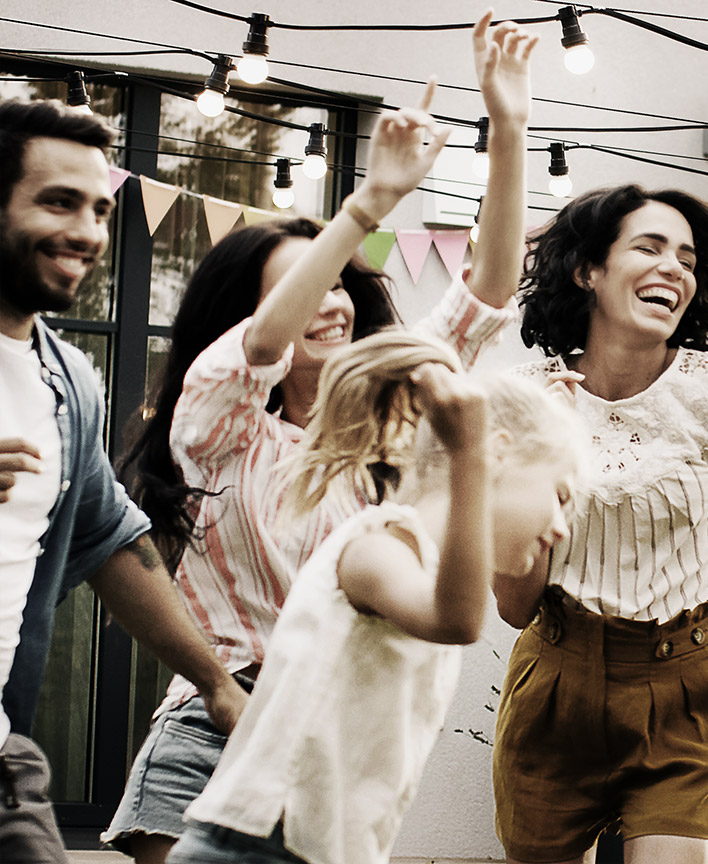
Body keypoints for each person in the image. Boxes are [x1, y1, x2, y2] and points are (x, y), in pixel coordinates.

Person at [105, 16, 537, 862]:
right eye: (307, 288)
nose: (333, 302)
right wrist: (366, 204)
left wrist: (510, 129)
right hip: (216, 723)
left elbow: (487, 290)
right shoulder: (218, 424)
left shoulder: (388, 423)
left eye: (342, 281)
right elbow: (264, 347)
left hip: (332, 734)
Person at [162, 332, 583, 864]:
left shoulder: (420, 561)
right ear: (496, 454)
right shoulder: (376, 549)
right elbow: (458, 621)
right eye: (559, 496)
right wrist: (468, 452)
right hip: (254, 848)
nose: (562, 527)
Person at [494, 184, 708, 864]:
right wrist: (534, 461)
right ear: (589, 271)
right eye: (649, 247)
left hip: (686, 687)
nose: (674, 267)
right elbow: (513, 605)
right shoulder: (525, 400)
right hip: (556, 681)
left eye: (688, 258)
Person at [0, 98, 246, 861]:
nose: (87, 233)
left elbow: (113, 541)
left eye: (100, 210)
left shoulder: (66, 378)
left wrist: (214, 683)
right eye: (58, 202)